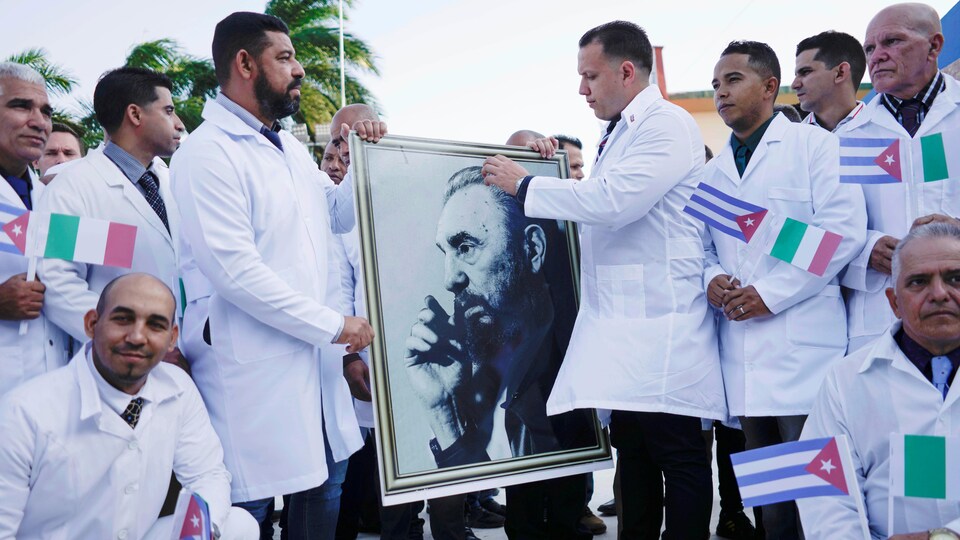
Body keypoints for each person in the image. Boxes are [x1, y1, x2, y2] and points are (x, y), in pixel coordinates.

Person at [483, 20, 727, 540]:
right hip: (624, 333)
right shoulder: (618, 131)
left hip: (664, 328)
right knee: (634, 461)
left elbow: (615, 202)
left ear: (626, 70)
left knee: (679, 459)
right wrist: (547, 168)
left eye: (590, 76)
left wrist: (526, 186)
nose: (582, 89)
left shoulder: (666, 124)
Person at [170, 12, 382, 539]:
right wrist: (333, 327)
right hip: (253, 374)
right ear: (245, 63)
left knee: (323, 494)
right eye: (285, 58)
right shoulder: (206, 153)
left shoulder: (286, 146)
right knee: (252, 511)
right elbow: (234, 271)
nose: (300, 70)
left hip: (313, 366)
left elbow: (333, 215)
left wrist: (363, 160)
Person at [703, 40, 866, 539]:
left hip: (802, 353)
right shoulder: (713, 173)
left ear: (770, 87)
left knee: (819, 502)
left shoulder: (817, 149)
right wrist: (712, 279)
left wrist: (768, 294)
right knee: (771, 508)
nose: (720, 94)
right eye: (715, 85)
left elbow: (840, 235)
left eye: (733, 80)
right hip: (745, 359)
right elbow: (702, 248)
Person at [406, 165, 594, 539]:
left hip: (703, 389)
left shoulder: (566, 361)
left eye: (466, 247)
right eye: (447, 252)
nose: (450, 278)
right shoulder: (489, 368)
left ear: (533, 249)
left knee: (703, 455)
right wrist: (445, 412)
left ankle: (741, 511)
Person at [0, 273, 258, 539]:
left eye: (155, 325)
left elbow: (208, 475)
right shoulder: (24, 412)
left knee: (238, 526)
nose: (137, 336)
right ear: (91, 323)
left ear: (172, 338)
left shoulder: (177, 386)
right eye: (123, 319)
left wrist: (203, 532)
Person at [797, 222, 960, 539]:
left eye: (955, 278)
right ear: (894, 302)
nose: (939, 294)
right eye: (918, 282)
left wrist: (944, 537)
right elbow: (824, 498)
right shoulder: (844, 380)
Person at [37, 67, 185, 359]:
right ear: (135, 115)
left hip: (185, 353)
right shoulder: (72, 188)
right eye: (168, 111)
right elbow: (58, 282)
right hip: (118, 363)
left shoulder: (172, 182)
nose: (179, 124)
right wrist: (134, 340)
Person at [838, 2, 960, 353]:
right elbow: (823, 228)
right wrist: (865, 249)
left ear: (934, 46)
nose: (877, 56)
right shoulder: (846, 138)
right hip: (878, 316)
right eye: (870, 48)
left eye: (892, 41)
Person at [0, 61, 66, 398]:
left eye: (45, 111)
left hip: (52, 392)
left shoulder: (54, 199)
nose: (39, 122)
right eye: (20, 105)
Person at [792, 31, 867, 132]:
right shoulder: (791, 141)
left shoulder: (890, 133)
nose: (794, 85)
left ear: (840, 73)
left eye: (805, 72)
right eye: (796, 75)